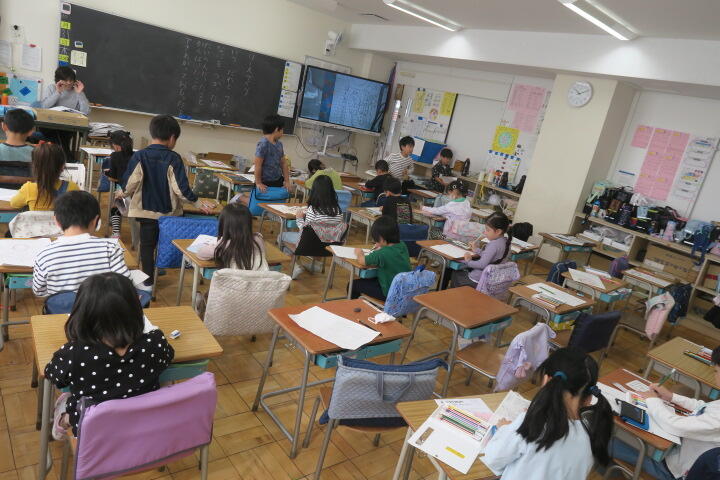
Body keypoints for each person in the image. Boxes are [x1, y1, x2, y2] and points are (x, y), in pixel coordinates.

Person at [45, 272, 174, 438]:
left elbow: (54, 376)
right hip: (143, 424)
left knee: (76, 405)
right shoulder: (155, 341)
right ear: (135, 308)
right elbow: (168, 356)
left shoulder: (74, 353)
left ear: (81, 312)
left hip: (95, 432)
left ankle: (64, 421)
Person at [483, 348, 613, 479]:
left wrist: (503, 429)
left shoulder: (532, 424)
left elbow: (493, 459)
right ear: (589, 399)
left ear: (547, 381)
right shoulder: (590, 438)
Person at [121, 114, 212, 290]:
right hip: (168, 214)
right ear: (172, 138)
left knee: (147, 246)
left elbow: (129, 183)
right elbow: (181, 189)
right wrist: (198, 203)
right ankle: (161, 266)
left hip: (145, 212)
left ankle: (148, 282)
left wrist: (122, 193)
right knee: (166, 244)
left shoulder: (139, 155)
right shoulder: (174, 158)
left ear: (152, 133)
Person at [613, 345, 720, 479]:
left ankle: (613, 473)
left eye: (716, 371)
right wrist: (671, 397)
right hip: (677, 451)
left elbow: (675, 426)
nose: (714, 375)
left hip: (673, 470)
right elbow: (704, 406)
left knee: (607, 441)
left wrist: (653, 400)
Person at [32, 191, 131, 297]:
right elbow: (125, 284)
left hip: (61, 307)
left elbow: (39, 291)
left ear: (57, 221)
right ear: (96, 221)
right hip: (102, 306)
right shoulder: (110, 248)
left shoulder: (45, 255)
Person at [352, 215, 411, 300]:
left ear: (382, 238)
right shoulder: (402, 245)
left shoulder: (382, 253)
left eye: (376, 240)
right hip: (404, 291)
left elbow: (362, 261)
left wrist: (359, 253)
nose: (376, 243)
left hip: (388, 293)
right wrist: (382, 246)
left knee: (353, 285)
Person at [197, 203, 268, 271]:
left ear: (224, 225)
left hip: (233, 279)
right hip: (257, 278)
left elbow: (201, 253)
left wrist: (215, 244)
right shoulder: (258, 240)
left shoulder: (225, 245)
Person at [10, 143, 79, 211]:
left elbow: (14, 204)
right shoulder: (72, 188)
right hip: (62, 219)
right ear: (62, 167)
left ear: (34, 167)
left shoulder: (28, 189)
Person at [451, 212, 512, 288]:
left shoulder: (493, 245)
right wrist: (476, 250)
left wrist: (468, 261)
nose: (484, 232)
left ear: (498, 231)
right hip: (491, 279)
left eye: (488, 230)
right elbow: (490, 256)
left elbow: (481, 265)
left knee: (454, 272)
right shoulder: (506, 242)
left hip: (477, 280)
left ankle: (455, 294)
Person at [103, 130, 133, 238]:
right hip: (138, 194)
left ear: (115, 145)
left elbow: (113, 176)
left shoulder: (115, 156)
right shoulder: (136, 155)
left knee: (115, 205)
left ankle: (116, 232)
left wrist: (106, 173)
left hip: (126, 193)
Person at [254, 114, 290, 193]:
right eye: (282, 129)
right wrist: (258, 183)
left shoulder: (279, 144)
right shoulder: (263, 144)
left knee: (279, 198)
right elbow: (258, 165)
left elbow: (283, 163)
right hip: (265, 183)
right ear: (276, 129)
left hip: (277, 180)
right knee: (264, 199)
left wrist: (287, 181)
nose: (283, 132)